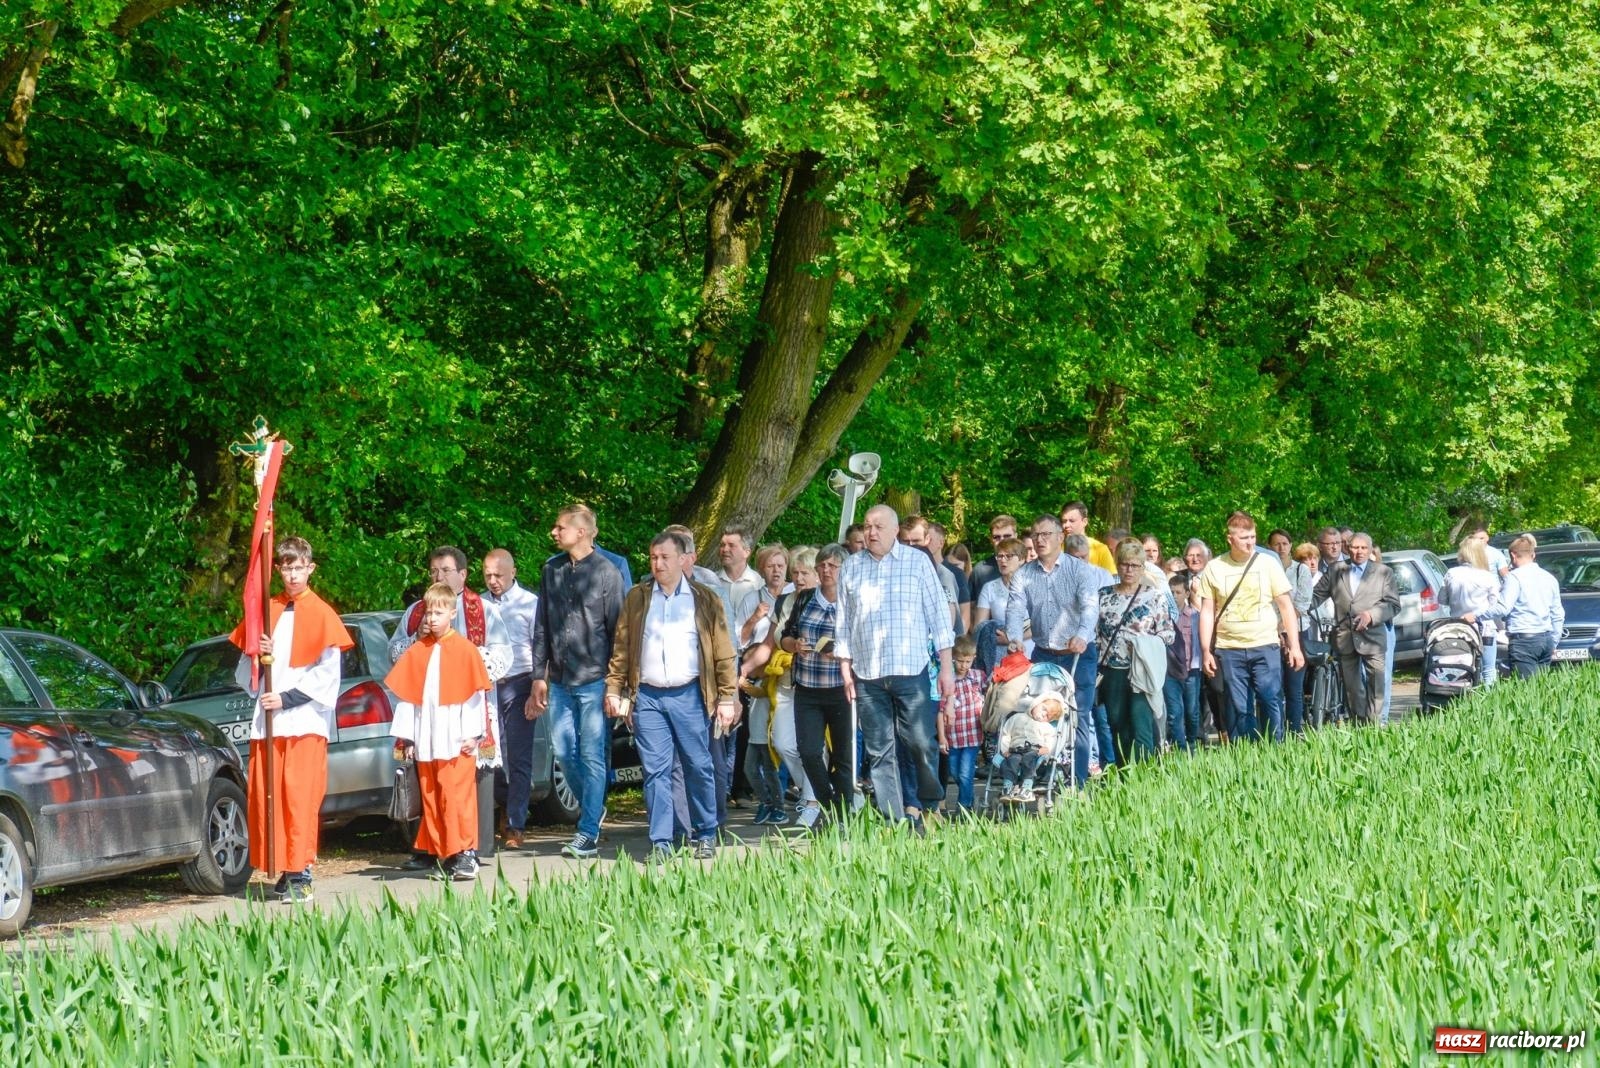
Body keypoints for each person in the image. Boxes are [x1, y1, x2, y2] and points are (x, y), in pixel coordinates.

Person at [227, 536, 353, 903]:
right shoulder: (268, 611)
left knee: (299, 798)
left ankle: (302, 872)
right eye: (287, 568)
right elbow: (244, 673)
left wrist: (285, 698)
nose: (293, 575)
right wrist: (257, 652)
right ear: (279, 570)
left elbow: (328, 674)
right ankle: (284, 867)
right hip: (269, 723)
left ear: (310, 568)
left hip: (303, 722)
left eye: (299, 568)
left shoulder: (323, 614)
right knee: (270, 798)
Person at [605, 531, 738, 861]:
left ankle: (705, 833)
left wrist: (726, 697)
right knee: (656, 771)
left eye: (665, 557)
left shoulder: (704, 599)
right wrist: (615, 689)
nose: (658, 564)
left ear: (683, 559)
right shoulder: (637, 598)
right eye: (653, 557)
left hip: (689, 695)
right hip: (648, 696)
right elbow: (622, 648)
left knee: (698, 765)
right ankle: (661, 841)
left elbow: (723, 652)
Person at [835, 505, 955, 832]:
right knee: (879, 750)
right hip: (867, 673)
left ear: (894, 531)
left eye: (878, 526)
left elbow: (939, 617)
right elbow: (843, 621)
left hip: (910, 669)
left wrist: (947, 669)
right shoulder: (852, 566)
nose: (871, 532)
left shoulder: (917, 562)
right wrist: (845, 668)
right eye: (867, 526)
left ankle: (930, 802)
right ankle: (894, 820)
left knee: (920, 741)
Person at [390, 546, 512, 860]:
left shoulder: (483, 609)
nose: (438, 576)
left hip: (466, 707)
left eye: (445, 570)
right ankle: (432, 849)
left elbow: (503, 656)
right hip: (428, 714)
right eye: (434, 571)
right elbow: (397, 656)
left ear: (462, 574)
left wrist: (461, 660)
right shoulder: (416, 611)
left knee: (463, 786)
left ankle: (470, 849)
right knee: (431, 785)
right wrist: (417, 639)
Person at [527, 504, 625, 859]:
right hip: (559, 679)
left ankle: (587, 831)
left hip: (594, 679)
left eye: (560, 527)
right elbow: (542, 626)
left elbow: (618, 632)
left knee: (591, 754)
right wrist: (538, 676)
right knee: (565, 753)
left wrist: (617, 685)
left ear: (581, 532)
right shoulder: (551, 569)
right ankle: (594, 808)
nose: (554, 533)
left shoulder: (607, 572)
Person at [1003, 515, 1101, 787]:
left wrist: (1082, 635)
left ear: (1060, 537)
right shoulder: (1024, 574)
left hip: (1078, 654)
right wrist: (1015, 638)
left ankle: (1078, 782)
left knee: (1077, 716)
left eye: (1046, 534)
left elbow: (1090, 606)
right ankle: (1038, 776)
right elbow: (1015, 609)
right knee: (1037, 714)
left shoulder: (1079, 570)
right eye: (1036, 535)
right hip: (1043, 654)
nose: (1040, 539)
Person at [1198, 512, 1304, 742]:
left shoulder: (1268, 563)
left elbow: (1286, 606)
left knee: (1270, 698)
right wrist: (1206, 650)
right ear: (1230, 539)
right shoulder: (1214, 567)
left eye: (1253, 537)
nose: (1250, 543)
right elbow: (1207, 611)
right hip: (1229, 648)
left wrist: (1294, 646)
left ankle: (1274, 748)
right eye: (1244, 538)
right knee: (1237, 706)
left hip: (1265, 644)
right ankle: (1244, 751)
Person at [740, 545, 822, 828]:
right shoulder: (785, 602)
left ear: (818, 575)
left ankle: (812, 802)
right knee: (783, 744)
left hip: (818, 684)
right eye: (795, 572)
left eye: (805, 573)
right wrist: (744, 670)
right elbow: (767, 646)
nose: (798, 578)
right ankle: (820, 791)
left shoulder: (826, 601)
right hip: (786, 685)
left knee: (814, 747)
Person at [784, 543, 852, 821]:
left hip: (841, 688)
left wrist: (841, 652)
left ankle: (844, 816)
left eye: (833, 565)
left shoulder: (852, 601)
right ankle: (828, 802)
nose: (826, 570)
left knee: (843, 756)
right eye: (822, 565)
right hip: (807, 688)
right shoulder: (805, 598)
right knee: (809, 751)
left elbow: (865, 642)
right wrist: (795, 645)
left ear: (844, 569)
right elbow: (786, 636)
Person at [1095, 539, 1175, 765]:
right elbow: (1094, 633)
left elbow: (1168, 634)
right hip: (1112, 670)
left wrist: (1144, 644)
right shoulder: (1103, 595)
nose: (1129, 570)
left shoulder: (1155, 596)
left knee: (1142, 726)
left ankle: (1144, 774)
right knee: (1117, 724)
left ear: (1143, 567)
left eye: (1135, 565)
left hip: (1142, 670)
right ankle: (1123, 772)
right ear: (1117, 564)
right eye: (1124, 564)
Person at [1309, 533, 1399, 725]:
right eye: (1355, 547)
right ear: (1347, 548)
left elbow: (1393, 605)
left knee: (1376, 683)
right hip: (1345, 637)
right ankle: (1360, 724)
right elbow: (1315, 596)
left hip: (1373, 638)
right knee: (1352, 687)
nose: (1359, 552)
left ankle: (1375, 725)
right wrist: (1294, 609)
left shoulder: (1383, 572)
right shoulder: (1336, 570)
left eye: (1363, 548)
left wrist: (1371, 615)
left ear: (1370, 549)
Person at [482, 548, 538, 850]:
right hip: (488, 686)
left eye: (498, 575)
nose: (493, 581)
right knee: (490, 755)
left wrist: (539, 686)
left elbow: (540, 647)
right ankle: (505, 803)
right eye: (488, 575)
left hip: (520, 683)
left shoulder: (530, 603)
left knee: (518, 756)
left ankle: (515, 825)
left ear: (513, 572)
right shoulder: (478, 604)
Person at [736, 545, 791, 825]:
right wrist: (755, 617)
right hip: (754, 672)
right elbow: (739, 638)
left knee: (775, 752)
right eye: (771, 565)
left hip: (781, 675)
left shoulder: (794, 594)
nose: (776, 570)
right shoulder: (752, 598)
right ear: (762, 569)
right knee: (755, 755)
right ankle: (768, 802)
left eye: (781, 565)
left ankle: (780, 802)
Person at [714, 525, 762, 817]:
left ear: (747, 550)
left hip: (749, 661)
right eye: (722, 544)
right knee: (719, 726)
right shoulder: (710, 580)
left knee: (744, 728)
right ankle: (719, 785)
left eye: (731, 545)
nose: (725, 550)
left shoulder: (757, 583)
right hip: (720, 662)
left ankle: (741, 787)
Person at [1442, 536, 1504, 686]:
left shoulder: (1451, 573)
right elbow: (1495, 605)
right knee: (1488, 669)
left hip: (1459, 628)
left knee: (1462, 666)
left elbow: (1442, 599)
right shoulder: (1487, 576)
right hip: (1485, 628)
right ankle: (1488, 696)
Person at [1500, 535, 1564, 679]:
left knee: (1526, 687)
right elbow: (1558, 614)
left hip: (1524, 640)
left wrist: (1478, 614)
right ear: (1533, 555)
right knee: (1541, 687)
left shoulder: (1514, 577)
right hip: (1546, 639)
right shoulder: (1549, 578)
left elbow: (1504, 608)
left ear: (1513, 555)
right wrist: (1554, 642)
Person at [938, 634, 985, 813]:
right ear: (952, 659)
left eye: (968, 661)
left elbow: (990, 693)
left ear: (974, 658)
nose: (964, 666)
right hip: (953, 736)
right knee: (955, 772)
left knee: (966, 773)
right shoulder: (947, 680)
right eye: (959, 661)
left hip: (973, 735)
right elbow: (940, 710)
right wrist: (942, 737)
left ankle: (964, 807)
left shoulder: (978, 677)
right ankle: (970, 798)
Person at [1273, 532, 1314, 734]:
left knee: (1294, 686)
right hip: (1270, 633)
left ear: (1290, 545)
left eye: (1284, 543)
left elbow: (1303, 603)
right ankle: (1275, 731)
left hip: (1297, 631)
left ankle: (1295, 730)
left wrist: (1283, 626)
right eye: (1276, 544)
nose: (1281, 548)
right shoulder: (1266, 569)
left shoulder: (1301, 570)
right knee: (1272, 687)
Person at [995, 690, 1065, 802]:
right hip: (1015, 750)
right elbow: (1006, 734)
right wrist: (1005, 750)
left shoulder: (1047, 727)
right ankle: (1008, 786)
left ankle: (1026, 788)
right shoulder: (1016, 717)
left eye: (1047, 716)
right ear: (1036, 703)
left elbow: (1051, 739)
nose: (1043, 714)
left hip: (1034, 751)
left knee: (1029, 759)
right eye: (1044, 709)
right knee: (1011, 761)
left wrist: (1046, 749)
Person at [972, 536, 1031, 667]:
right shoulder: (989, 588)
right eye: (999, 556)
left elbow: (1042, 625)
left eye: (1008, 556)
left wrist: (1011, 639)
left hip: (1029, 652)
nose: (1003, 560)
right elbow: (980, 626)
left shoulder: (1033, 585)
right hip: (999, 657)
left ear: (1021, 559)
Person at [899, 514, 961, 634]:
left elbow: (948, 620)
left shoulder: (942, 575)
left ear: (927, 539)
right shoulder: (891, 571)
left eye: (916, 541)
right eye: (905, 541)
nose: (911, 547)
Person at [1163, 572, 1203, 753]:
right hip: (1170, 670)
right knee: (1174, 711)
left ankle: (1192, 742)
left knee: (1192, 711)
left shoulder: (1194, 616)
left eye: (1178, 592)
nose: (1174, 596)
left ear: (1187, 593)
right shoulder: (1164, 616)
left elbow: (1199, 642)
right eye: (1171, 592)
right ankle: (1180, 749)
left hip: (1191, 669)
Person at [927, 521, 972, 635]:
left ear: (941, 543)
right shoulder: (919, 570)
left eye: (929, 539)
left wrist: (958, 641)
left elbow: (964, 614)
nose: (925, 543)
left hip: (952, 637)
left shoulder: (956, 573)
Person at [1060, 501, 1116, 573]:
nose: (1066, 525)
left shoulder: (1100, 549)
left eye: (1072, 521)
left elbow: (1111, 578)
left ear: (1085, 522)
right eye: (1064, 521)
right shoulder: (1055, 549)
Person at [970, 514, 1019, 594]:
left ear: (1016, 537)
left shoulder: (1027, 568)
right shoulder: (980, 571)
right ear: (991, 540)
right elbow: (972, 601)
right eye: (996, 537)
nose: (1002, 541)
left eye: (1007, 536)